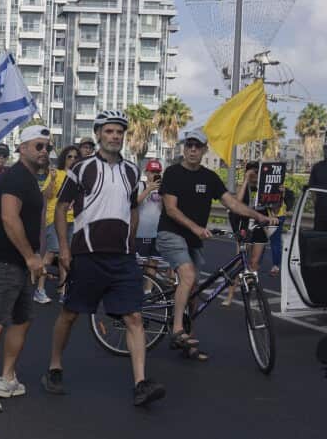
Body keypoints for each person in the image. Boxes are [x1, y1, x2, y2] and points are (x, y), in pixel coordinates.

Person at [43, 109, 166, 406]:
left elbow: (132, 208)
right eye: (109, 131)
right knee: (70, 314)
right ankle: (55, 366)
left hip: (122, 258)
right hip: (88, 254)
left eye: (119, 132)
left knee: (134, 317)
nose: (115, 136)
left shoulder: (131, 171)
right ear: (99, 134)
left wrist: (131, 241)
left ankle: (140, 383)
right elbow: (61, 208)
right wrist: (64, 247)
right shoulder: (82, 168)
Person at [156, 128, 277, 359]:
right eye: (189, 145)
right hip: (171, 234)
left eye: (197, 146)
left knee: (193, 290)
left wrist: (257, 216)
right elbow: (170, 209)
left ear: (204, 150)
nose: (192, 150)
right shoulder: (172, 173)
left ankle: (188, 343)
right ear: (184, 148)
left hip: (193, 240)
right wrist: (195, 227)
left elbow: (232, 203)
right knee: (188, 276)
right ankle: (177, 329)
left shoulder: (209, 177)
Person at [0, 126, 51, 413]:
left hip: (24, 262)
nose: (44, 152)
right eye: (38, 146)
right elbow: (8, 218)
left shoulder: (31, 179)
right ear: (23, 148)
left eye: (47, 147)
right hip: (6, 261)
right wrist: (30, 257)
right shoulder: (15, 177)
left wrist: (36, 256)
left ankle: (6, 378)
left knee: (21, 319)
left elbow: (32, 221)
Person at [37, 145, 80, 303]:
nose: (73, 160)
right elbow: (46, 195)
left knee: (66, 256)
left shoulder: (78, 177)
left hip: (73, 220)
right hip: (55, 219)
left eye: (76, 157)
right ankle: (40, 289)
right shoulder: (56, 173)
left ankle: (63, 291)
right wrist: (53, 179)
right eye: (69, 157)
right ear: (64, 159)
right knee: (51, 253)